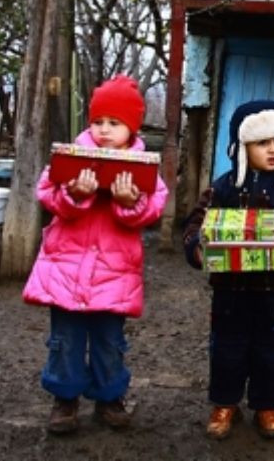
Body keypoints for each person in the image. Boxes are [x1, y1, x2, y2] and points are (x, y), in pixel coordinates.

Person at [22, 75, 169, 435]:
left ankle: (110, 397)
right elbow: (47, 194)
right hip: (66, 270)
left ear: (131, 127)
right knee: (65, 340)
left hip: (114, 274)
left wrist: (128, 202)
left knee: (109, 342)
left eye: (114, 123)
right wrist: (75, 194)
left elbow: (153, 208)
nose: (104, 130)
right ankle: (65, 397)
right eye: (98, 121)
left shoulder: (144, 166)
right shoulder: (70, 156)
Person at [182, 100, 274, 441]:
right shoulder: (225, 188)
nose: (273, 149)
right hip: (231, 289)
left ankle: (267, 405)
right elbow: (195, 223)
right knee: (228, 346)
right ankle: (225, 403)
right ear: (242, 146)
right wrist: (198, 247)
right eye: (263, 143)